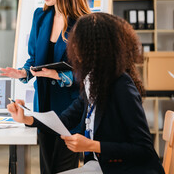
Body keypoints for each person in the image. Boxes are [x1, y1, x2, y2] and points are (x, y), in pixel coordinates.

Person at [8, 13, 165, 174]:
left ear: (94, 47)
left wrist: (93, 145)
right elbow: (64, 121)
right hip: (100, 167)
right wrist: (27, 117)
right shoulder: (92, 80)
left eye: (77, 42)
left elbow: (144, 149)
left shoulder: (120, 85)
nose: (72, 48)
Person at [0, 0, 91, 173]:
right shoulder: (40, 17)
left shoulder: (83, 22)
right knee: (47, 167)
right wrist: (23, 72)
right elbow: (34, 57)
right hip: (44, 106)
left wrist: (59, 75)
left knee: (63, 167)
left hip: (71, 107)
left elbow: (89, 73)